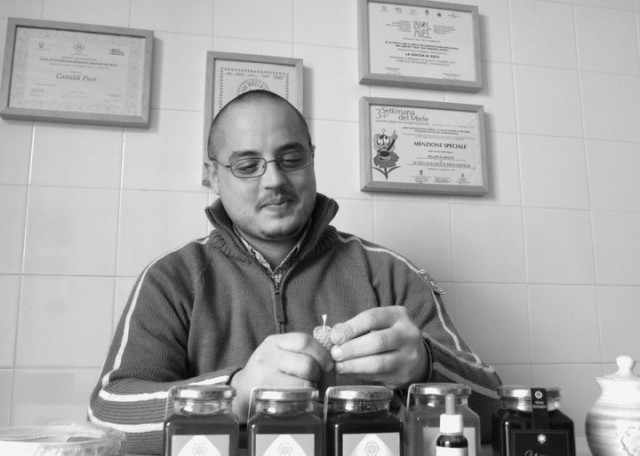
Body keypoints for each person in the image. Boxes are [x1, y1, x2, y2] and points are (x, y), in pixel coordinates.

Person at [88, 90, 502, 455]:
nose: (274, 180)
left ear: (312, 159)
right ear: (213, 174)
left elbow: (497, 403)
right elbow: (107, 414)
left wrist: (427, 365)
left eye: (291, 159)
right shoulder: (171, 279)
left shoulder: (388, 273)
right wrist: (233, 394)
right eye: (247, 165)